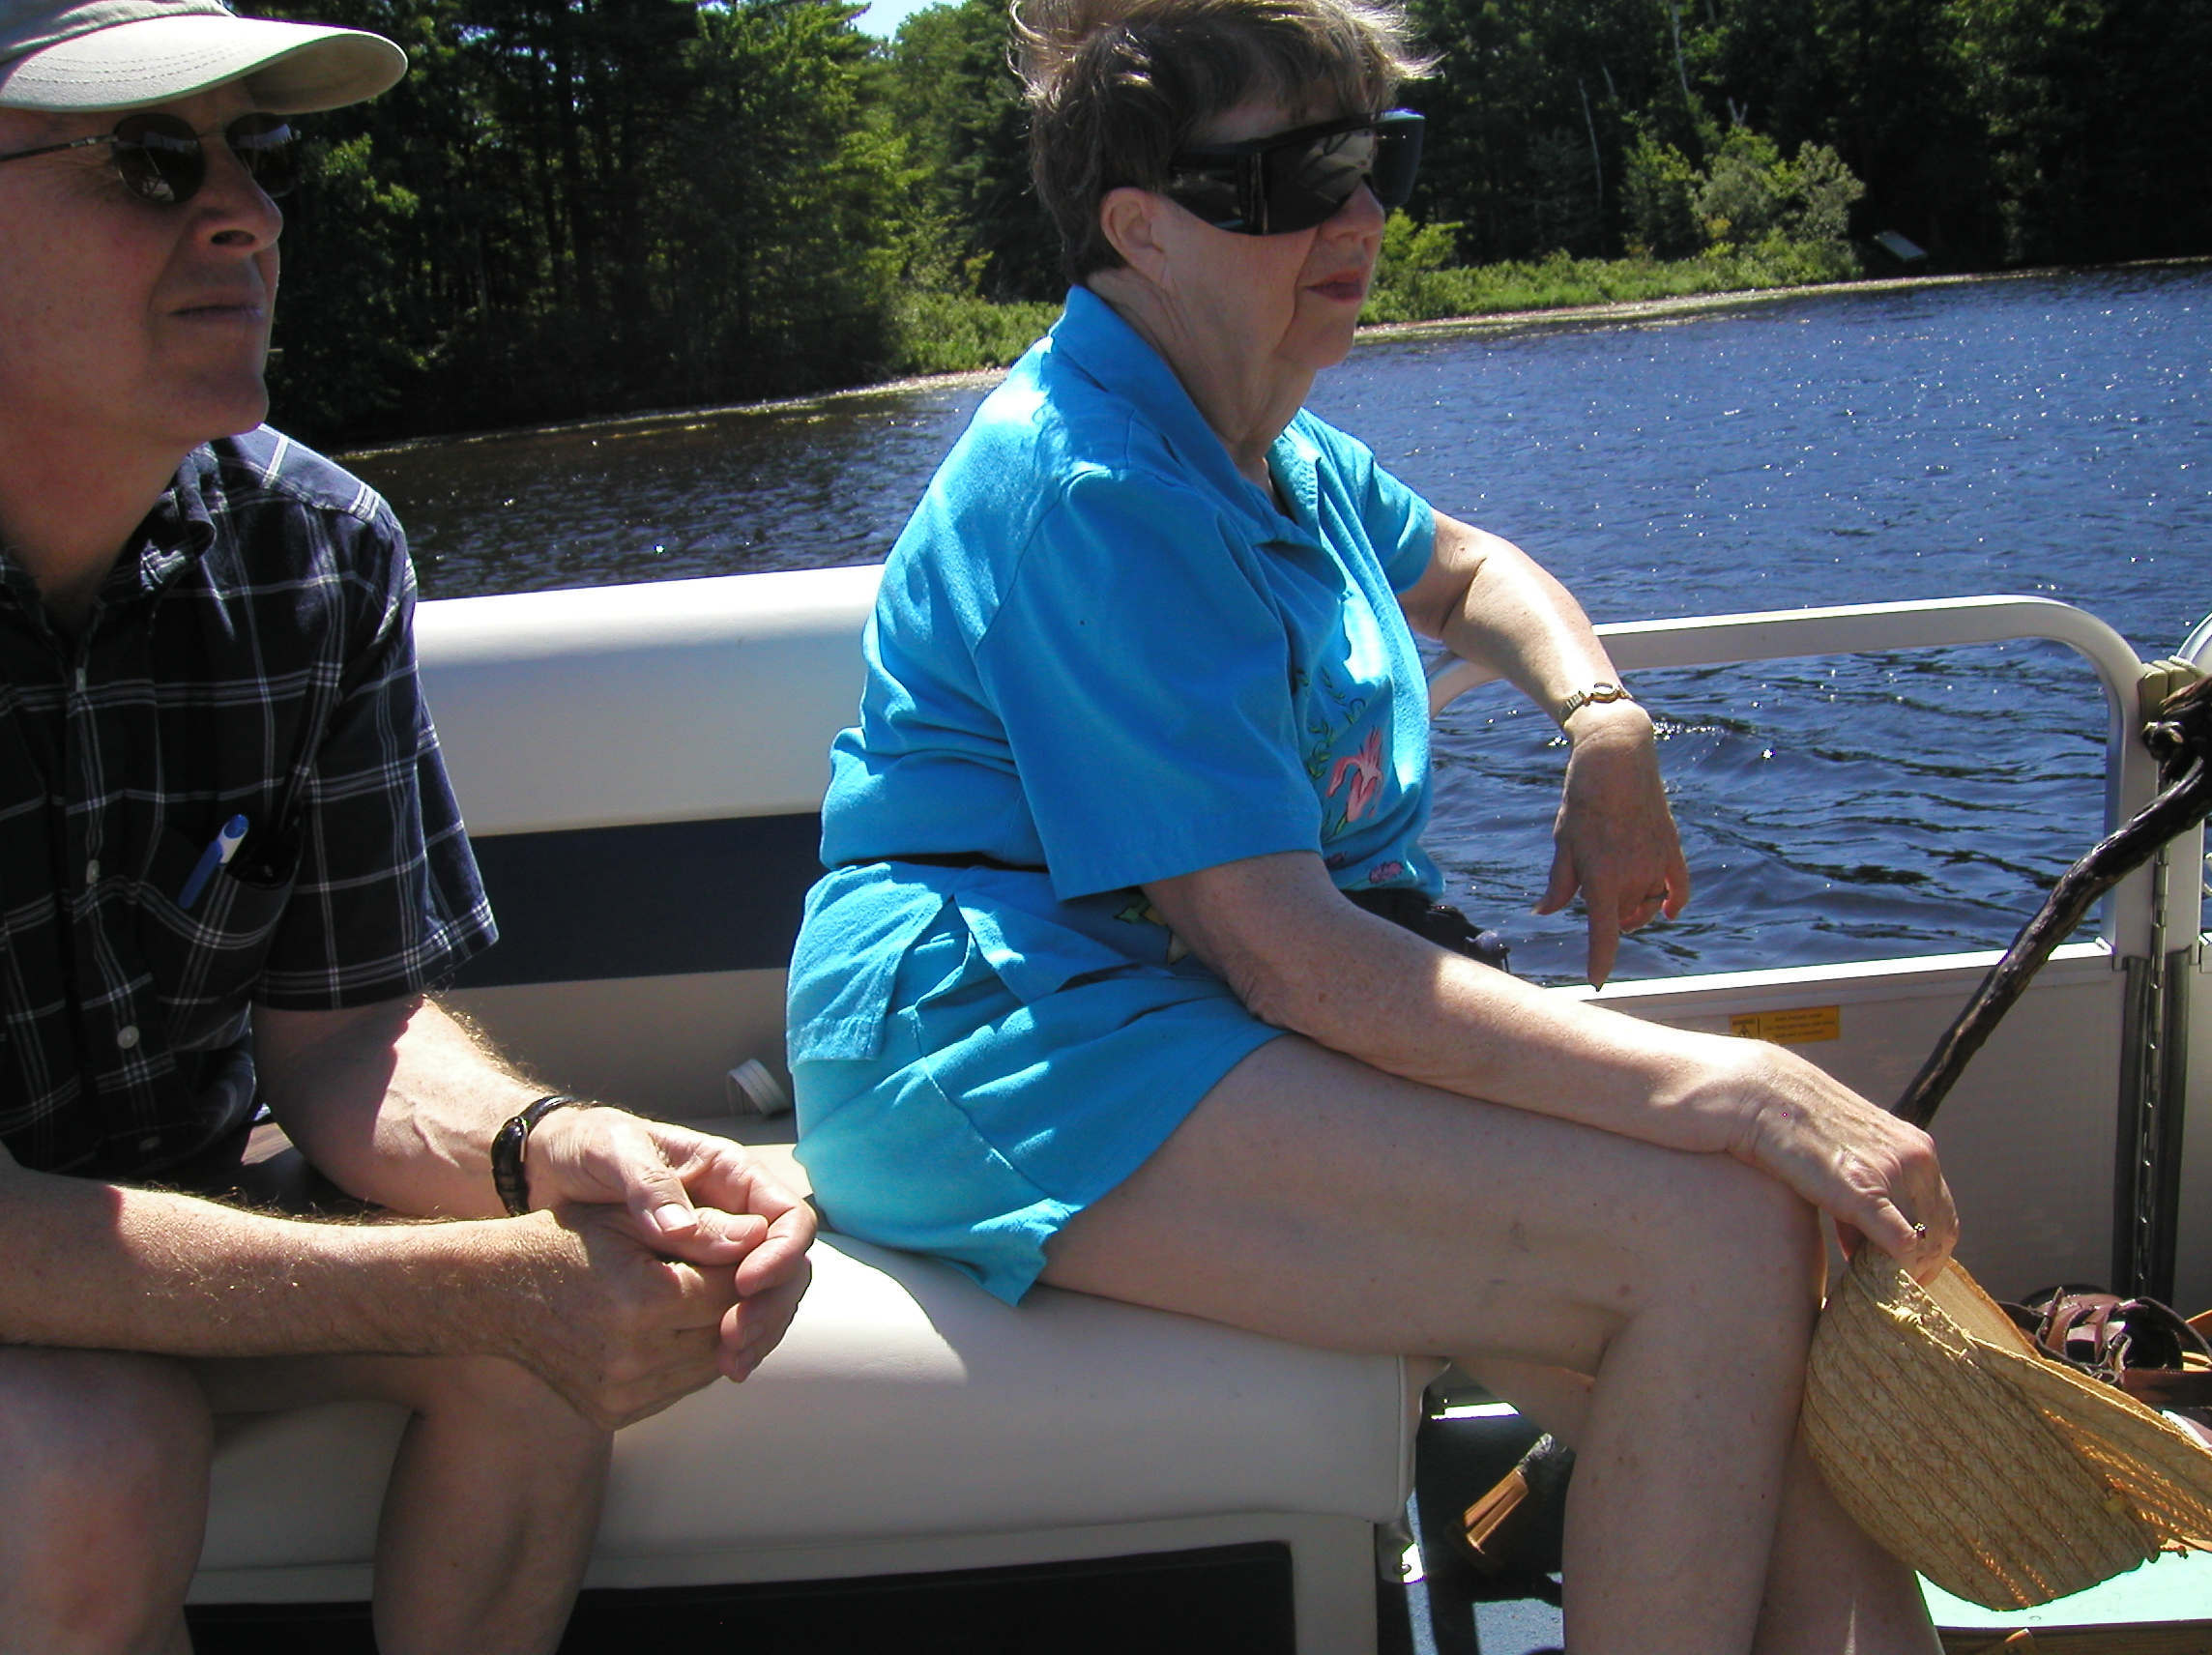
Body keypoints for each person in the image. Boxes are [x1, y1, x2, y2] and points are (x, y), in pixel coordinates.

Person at [785, 0, 1958, 1648]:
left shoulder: (1266, 440)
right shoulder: (1096, 487)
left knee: (1760, 1296)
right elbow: (1290, 958)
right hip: (999, 1039)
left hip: (1181, 997)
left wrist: (1604, 722)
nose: (1360, 216)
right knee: (1713, 1231)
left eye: (1377, 158)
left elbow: (1469, 572)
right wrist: (1747, 1083)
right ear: (1141, 228)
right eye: (1293, 179)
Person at [0, 3, 815, 1650]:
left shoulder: (314, 550)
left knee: (534, 1368)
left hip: (171, 1208)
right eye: (153, 160)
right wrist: (471, 1278)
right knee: (96, 1457)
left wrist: (547, 1148)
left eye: (259, 152)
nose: (247, 212)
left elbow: (347, 1033)